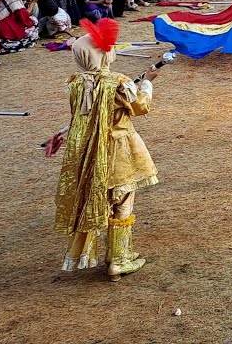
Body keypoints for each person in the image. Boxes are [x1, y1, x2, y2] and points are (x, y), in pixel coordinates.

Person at [54, 17, 162, 281]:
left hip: (91, 154)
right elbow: (140, 106)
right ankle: (119, 259)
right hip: (120, 151)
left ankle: (114, 256)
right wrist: (146, 83)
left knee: (101, 200)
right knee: (123, 201)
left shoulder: (75, 84)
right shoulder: (118, 82)